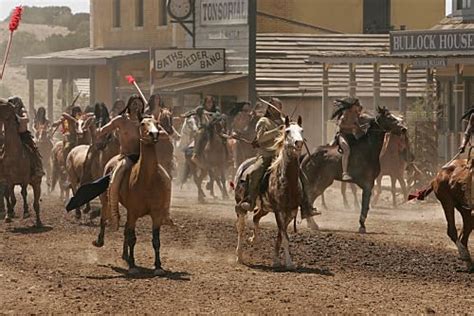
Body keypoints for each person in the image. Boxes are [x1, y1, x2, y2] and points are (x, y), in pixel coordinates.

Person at [239, 97, 317, 219]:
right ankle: (250, 200)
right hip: (266, 155)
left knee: (302, 176)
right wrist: (277, 130)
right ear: (270, 108)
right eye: (275, 107)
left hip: (281, 156)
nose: (278, 110)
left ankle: (306, 206)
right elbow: (260, 138)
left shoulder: (283, 121)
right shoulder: (263, 122)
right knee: (255, 172)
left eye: (280, 107)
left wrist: (291, 128)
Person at [95, 95, 145, 230]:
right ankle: (114, 215)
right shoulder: (121, 120)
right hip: (127, 157)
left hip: (144, 157)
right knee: (114, 180)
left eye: (139, 104)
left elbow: (160, 132)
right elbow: (105, 129)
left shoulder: (146, 121)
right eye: (134, 104)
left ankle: (164, 213)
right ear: (129, 105)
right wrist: (98, 131)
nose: (137, 106)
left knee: (164, 177)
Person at [8, 96, 44, 177]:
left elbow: (26, 119)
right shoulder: (8, 112)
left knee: (33, 150)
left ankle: (37, 168)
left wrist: (18, 118)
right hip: (10, 136)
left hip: (22, 136)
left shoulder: (22, 110)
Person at [331, 97, 363, 181]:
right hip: (342, 135)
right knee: (346, 149)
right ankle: (344, 173)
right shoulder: (345, 114)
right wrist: (351, 126)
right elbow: (340, 125)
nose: (358, 107)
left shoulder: (356, 114)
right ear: (352, 106)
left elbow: (357, 124)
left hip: (351, 135)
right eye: (357, 105)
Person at [185, 95, 221, 167]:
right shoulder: (200, 109)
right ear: (205, 103)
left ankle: (228, 156)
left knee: (224, 138)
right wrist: (185, 115)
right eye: (208, 102)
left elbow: (218, 115)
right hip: (204, 128)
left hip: (214, 128)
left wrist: (211, 115)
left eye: (211, 102)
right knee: (199, 134)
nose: (209, 104)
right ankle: (195, 155)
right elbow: (193, 112)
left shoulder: (216, 109)